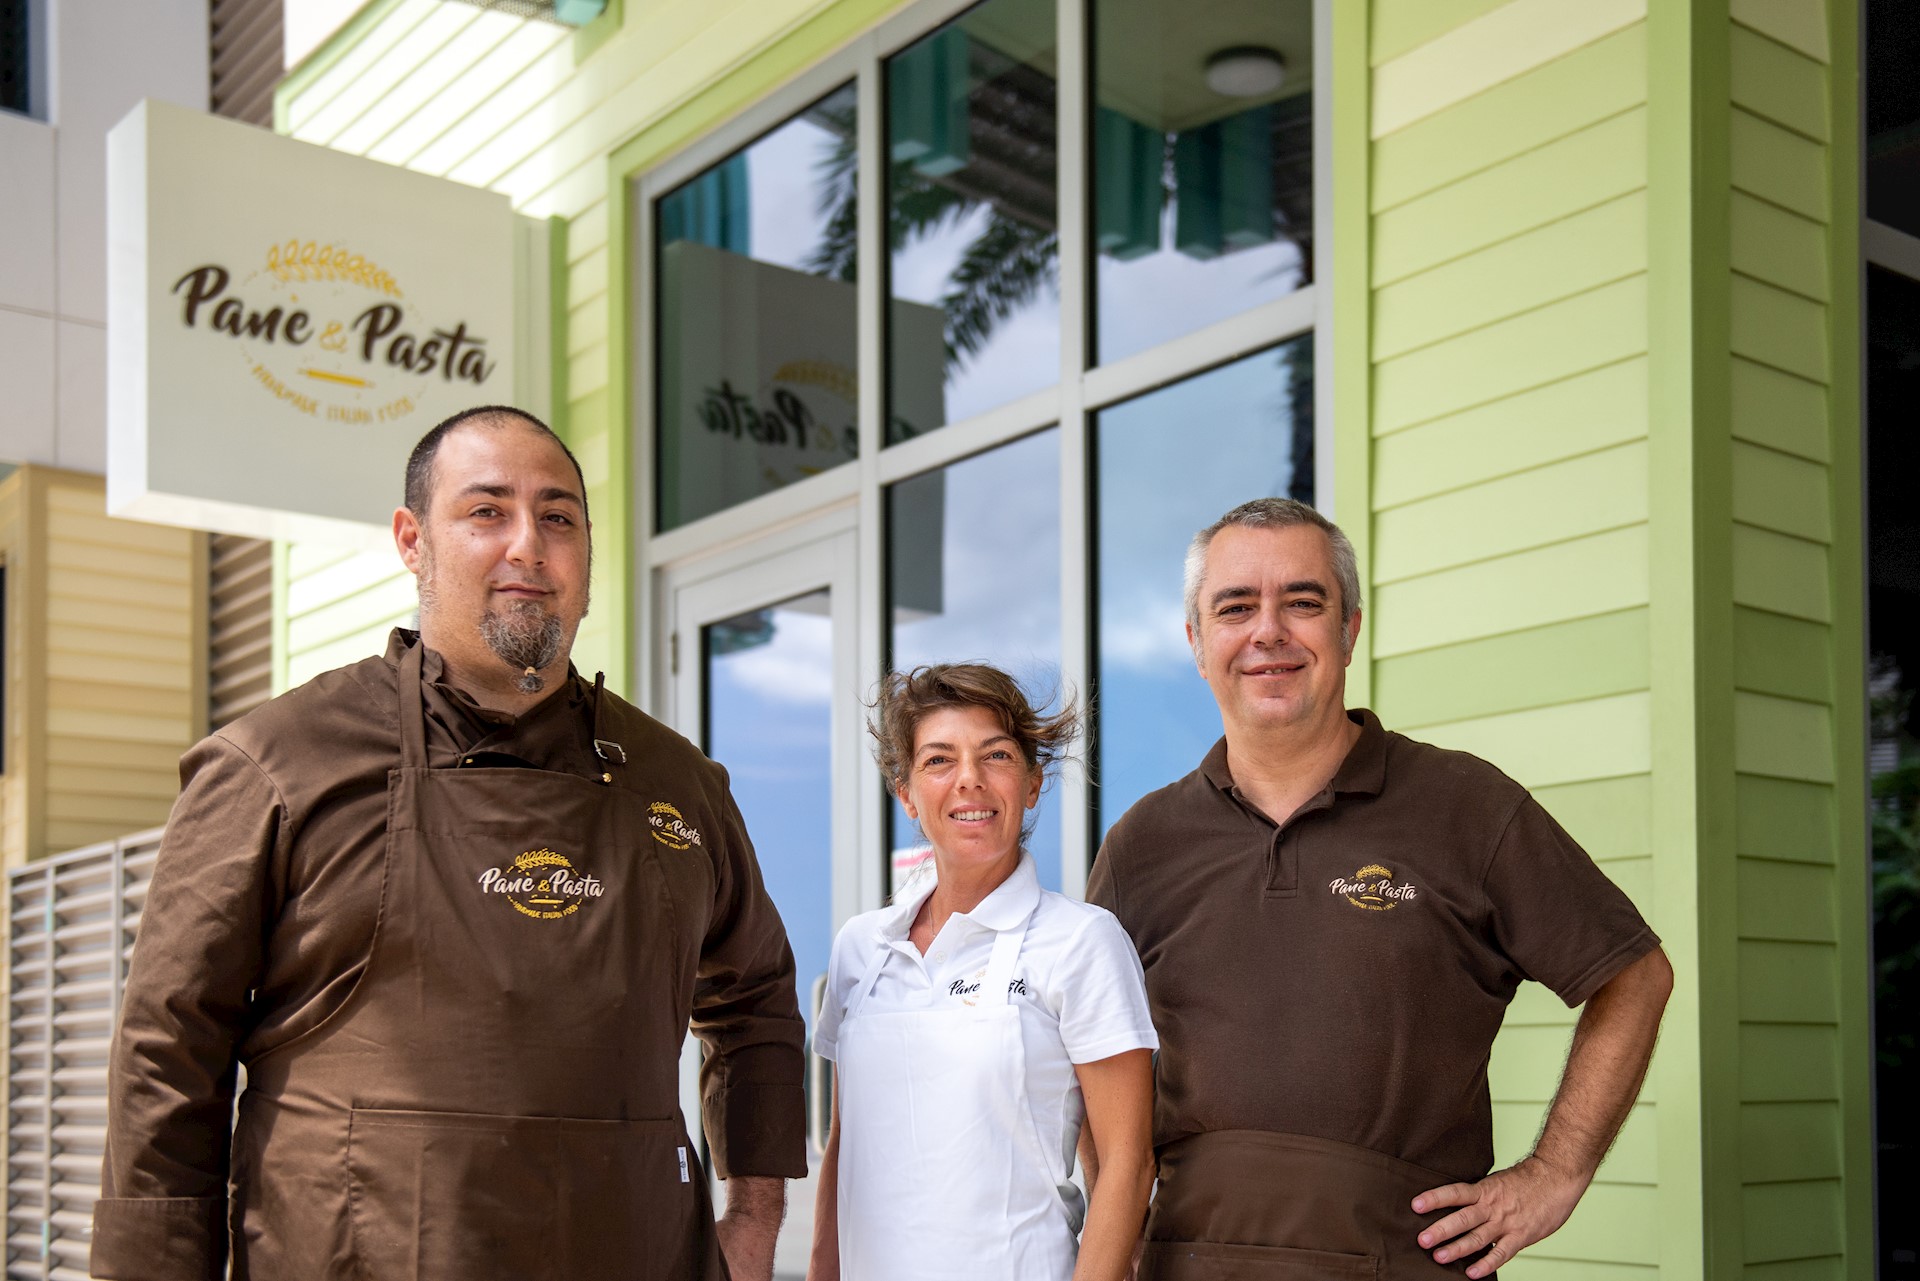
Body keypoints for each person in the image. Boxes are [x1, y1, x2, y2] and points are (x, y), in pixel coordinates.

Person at [91, 406, 807, 1281]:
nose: (528, 547)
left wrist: (756, 1215)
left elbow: (758, 995)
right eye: (486, 512)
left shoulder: (679, 780)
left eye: (558, 517)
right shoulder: (275, 763)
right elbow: (169, 1049)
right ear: (412, 540)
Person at [1088, 498, 1674, 1280]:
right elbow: (1087, 1058)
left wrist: (1553, 1174)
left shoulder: (1467, 808)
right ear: (1197, 643)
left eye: (1303, 601)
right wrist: (1112, 1222)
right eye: (1235, 607)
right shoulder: (1142, 845)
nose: (1268, 631)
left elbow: (1634, 975)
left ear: (1350, 629)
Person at [806, 665, 1157, 1281]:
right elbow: (845, 1143)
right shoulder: (859, 949)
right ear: (907, 793)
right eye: (939, 761)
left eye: (995, 756)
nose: (969, 780)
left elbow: (1128, 1165)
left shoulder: (1081, 943)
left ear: (1030, 785)